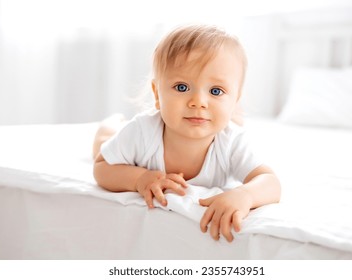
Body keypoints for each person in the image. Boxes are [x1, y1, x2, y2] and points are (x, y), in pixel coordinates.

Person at [93, 25, 281, 242]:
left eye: (216, 91)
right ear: (157, 93)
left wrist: (245, 195)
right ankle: (111, 124)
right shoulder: (142, 130)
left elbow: (270, 181)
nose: (198, 102)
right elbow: (101, 167)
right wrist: (139, 179)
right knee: (103, 141)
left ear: (234, 100)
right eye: (182, 87)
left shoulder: (231, 141)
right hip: (129, 141)